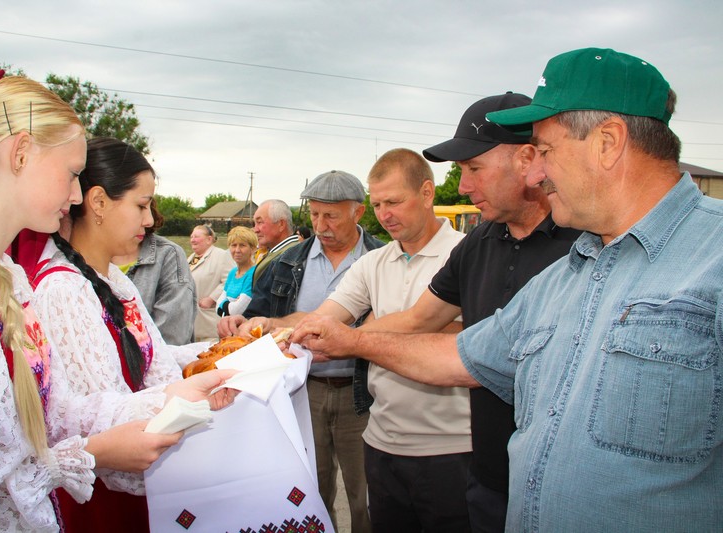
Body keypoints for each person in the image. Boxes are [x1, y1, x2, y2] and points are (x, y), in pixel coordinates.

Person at [292, 48, 723, 531]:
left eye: (545, 150)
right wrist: (348, 340)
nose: (535, 173)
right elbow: (462, 357)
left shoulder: (714, 259)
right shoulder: (573, 271)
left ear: (607, 142)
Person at [0, 73, 234, 532]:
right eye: (71, 173)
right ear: (21, 153)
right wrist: (93, 453)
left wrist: (175, 394)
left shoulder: (3, 276)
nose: (75, 197)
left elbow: (58, 411)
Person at [357, 92, 582, 532]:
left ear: (528, 158)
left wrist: (352, 340)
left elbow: (474, 356)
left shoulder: (584, 244)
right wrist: (335, 335)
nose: (462, 186)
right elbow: (419, 319)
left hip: (557, 487)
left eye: (473, 168)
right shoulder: (478, 242)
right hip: (487, 478)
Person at [234, 152, 472, 531]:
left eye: (393, 201)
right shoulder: (373, 264)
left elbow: (474, 340)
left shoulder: (467, 253)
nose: (385, 214)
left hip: (450, 447)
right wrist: (271, 326)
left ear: (427, 192)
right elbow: (324, 318)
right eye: (378, 204)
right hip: (382, 441)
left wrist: (358, 338)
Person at [29, 136, 235, 532]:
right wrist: (195, 394)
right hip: (100, 495)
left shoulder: (113, 282)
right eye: (141, 205)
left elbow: (154, 358)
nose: (149, 220)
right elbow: (98, 418)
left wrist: (220, 353)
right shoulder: (63, 290)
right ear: (99, 202)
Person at [221, 170, 383, 532]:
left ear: (358, 213)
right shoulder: (285, 261)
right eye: (314, 215)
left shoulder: (381, 259)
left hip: (362, 395)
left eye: (332, 215)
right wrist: (240, 323)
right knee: (309, 489)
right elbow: (258, 314)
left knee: (366, 496)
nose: (320, 225)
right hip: (301, 393)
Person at [113, 198, 197, 345]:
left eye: (146, 206)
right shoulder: (78, 258)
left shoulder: (168, 255)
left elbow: (172, 339)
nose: (149, 220)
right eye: (139, 206)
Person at [188, 224, 234, 341]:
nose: (192, 239)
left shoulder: (222, 255)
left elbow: (231, 281)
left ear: (209, 239)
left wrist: (211, 298)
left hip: (210, 324)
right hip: (192, 325)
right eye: (191, 236)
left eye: (196, 236)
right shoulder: (190, 258)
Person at [251, 199, 298, 282]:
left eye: (260, 222)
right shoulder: (279, 252)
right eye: (255, 224)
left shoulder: (289, 258)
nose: (255, 230)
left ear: (281, 224)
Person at [216, 225, 258, 317]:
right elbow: (217, 307)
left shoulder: (253, 273)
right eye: (234, 245)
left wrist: (225, 303)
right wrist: (230, 303)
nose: (237, 250)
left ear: (253, 249)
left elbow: (236, 310)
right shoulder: (232, 272)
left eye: (242, 245)